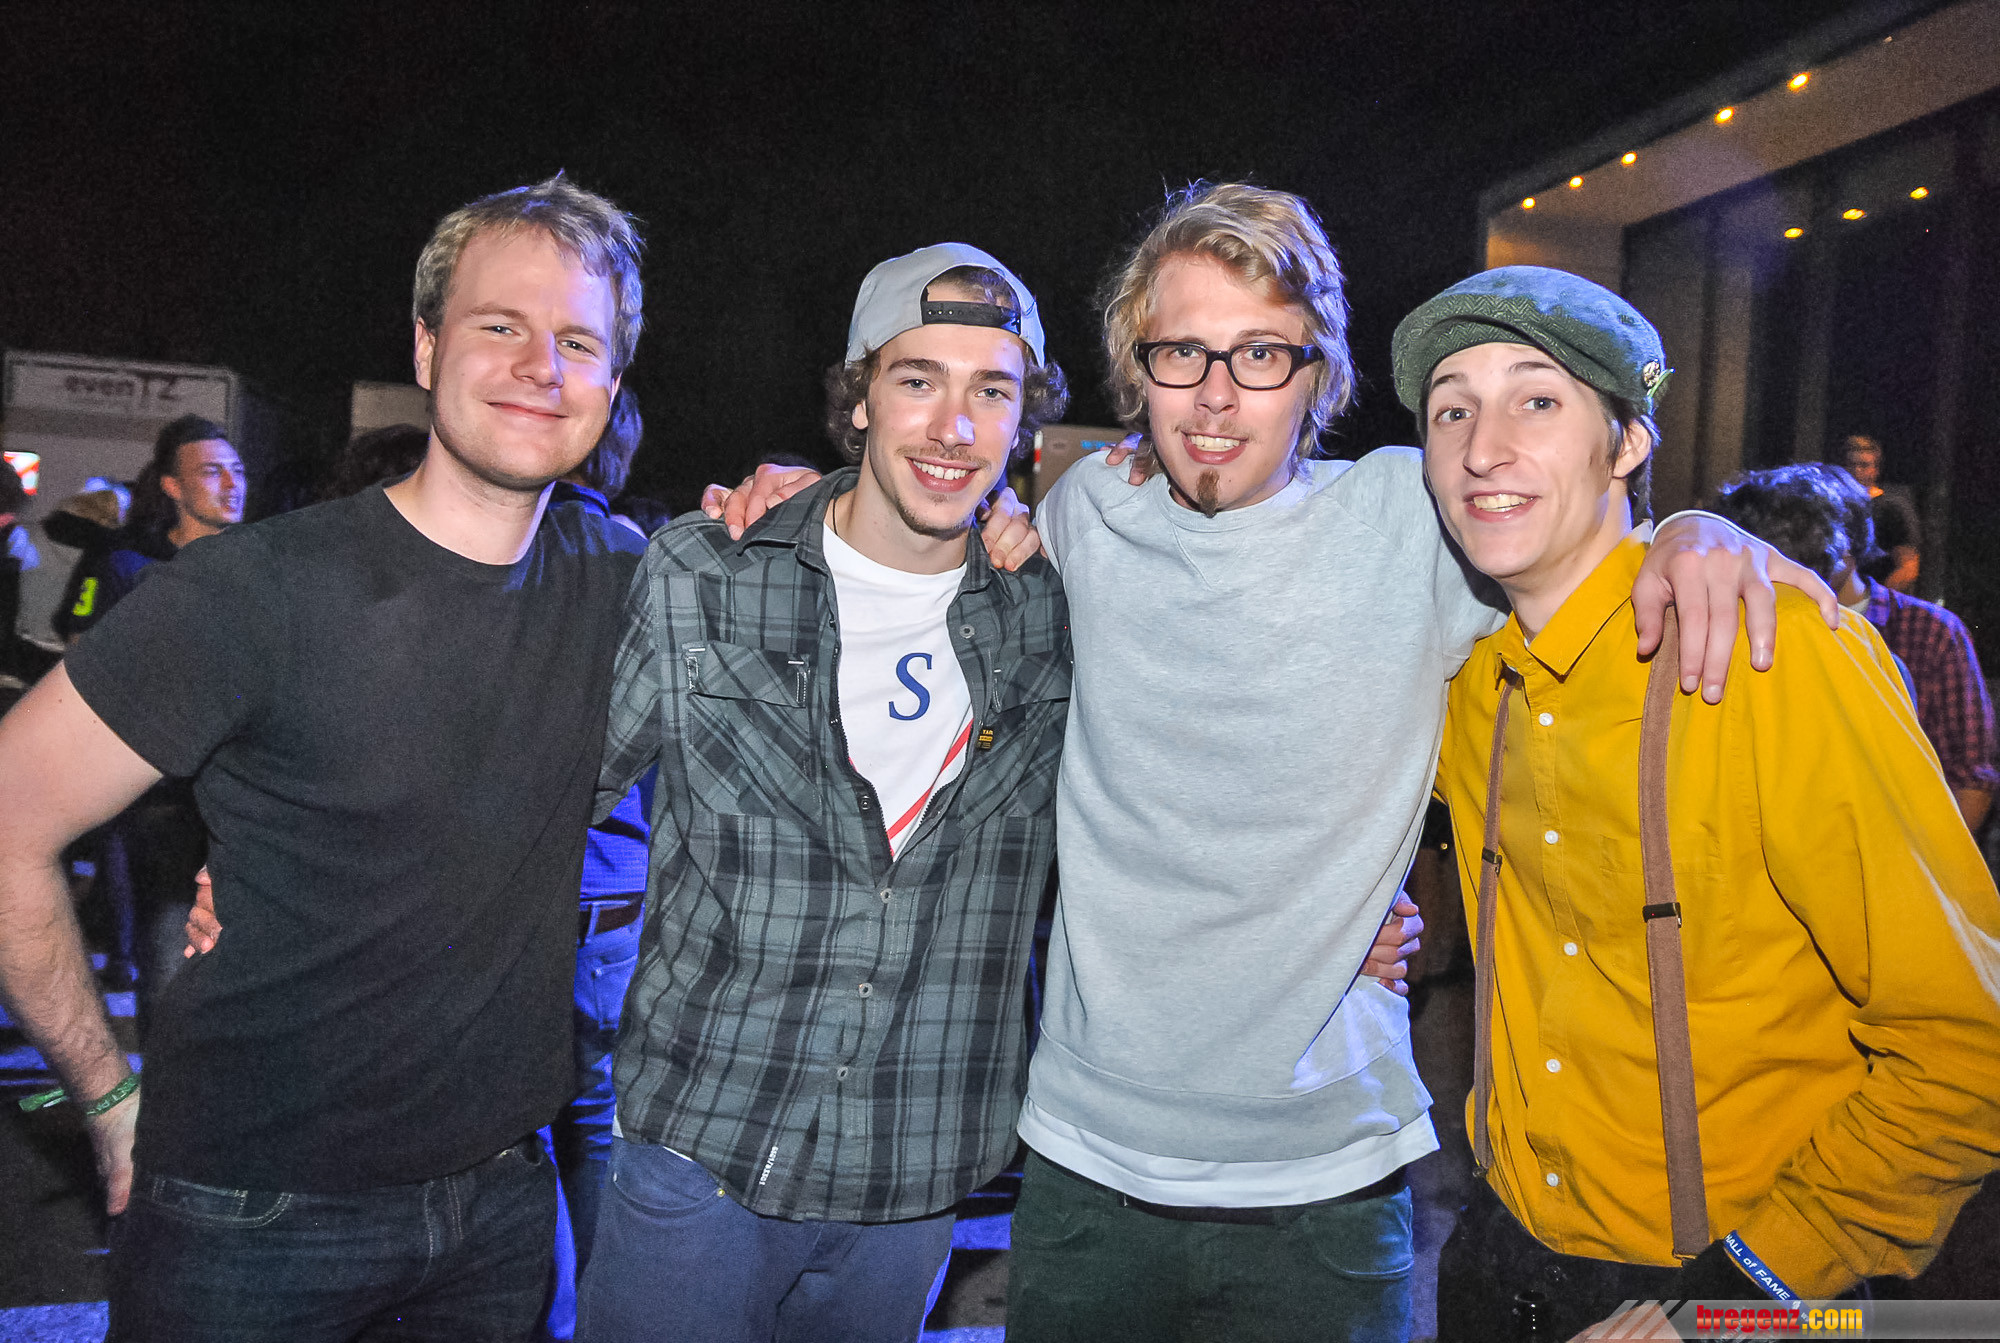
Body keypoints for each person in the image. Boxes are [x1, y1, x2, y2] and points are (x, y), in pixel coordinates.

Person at [704, 183, 1832, 1343]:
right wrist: (808, 501)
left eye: (1259, 354)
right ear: (1134, 369)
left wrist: (1694, 531)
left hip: (1326, 1183)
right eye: (1180, 353)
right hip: (1087, 1167)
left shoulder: (1411, 518)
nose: (1214, 396)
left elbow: (1572, 543)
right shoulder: (1084, 511)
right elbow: (918, 545)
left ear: (1316, 372)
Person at [0, 173, 650, 1341]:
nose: (539, 366)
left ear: (612, 383)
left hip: (503, 1208)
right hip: (250, 1214)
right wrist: (107, 1097)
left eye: (577, 342)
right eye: (499, 325)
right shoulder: (255, 591)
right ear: (426, 345)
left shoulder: (620, 578)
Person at [1393, 266, 2000, 1340]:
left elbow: (1964, 1045)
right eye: (1452, 410)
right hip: (1493, 1257)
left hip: (1731, 1283)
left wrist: (1743, 1292)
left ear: (1626, 442)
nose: (1482, 447)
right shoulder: (1466, 682)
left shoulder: (1775, 656)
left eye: (1536, 399)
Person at [578, 243, 1076, 1343]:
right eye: (917, 380)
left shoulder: (1049, 613)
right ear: (858, 399)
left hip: (914, 1165)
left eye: (992, 391)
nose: (953, 426)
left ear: (1022, 422)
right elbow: (544, 798)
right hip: (703, 1148)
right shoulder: (705, 574)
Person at [1711, 462, 1996, 832]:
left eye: (1800, 538)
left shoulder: (1930, 632)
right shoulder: (1747, 623)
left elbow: (1971, 776)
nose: (1784, 560)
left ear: (1847, 543)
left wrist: (1925, 863)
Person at [1841, 434, 1921, 593]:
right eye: (1852, 465)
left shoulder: (1892, 508)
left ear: (1875, 470)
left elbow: (1908, 567)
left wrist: (1875, 599)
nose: (1857, 471)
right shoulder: (1838, 506)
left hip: (1875, 598)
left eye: (1864, 465)